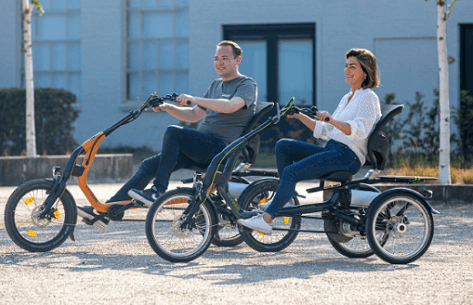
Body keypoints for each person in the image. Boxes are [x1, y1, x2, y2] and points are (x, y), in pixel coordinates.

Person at [77, 40, 257, 229]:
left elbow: (231, 106)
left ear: (238, 60)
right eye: (216, 58)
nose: (219, 62)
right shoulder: (216, 85)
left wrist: (194, 98)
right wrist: (167, 108)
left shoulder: (246, 84)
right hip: (204, 148)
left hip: (221, 150)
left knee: (174, 132)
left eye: (225, 58)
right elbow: (195, 114)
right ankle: (106, 211)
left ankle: (158, 190)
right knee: (148, 165)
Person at [238, 48, 381, 235]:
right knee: (284, 146)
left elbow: (360, 131)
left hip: (348, 156)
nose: (347, 70)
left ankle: (266, 219)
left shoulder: (368, 97)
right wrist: (299, 116)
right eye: (346, 66)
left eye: (352, 67)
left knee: (290, 172)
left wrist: (331, 120)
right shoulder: (348, 97)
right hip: (333, 150)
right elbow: (324, 131)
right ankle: (287, 198)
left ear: (365, 71)